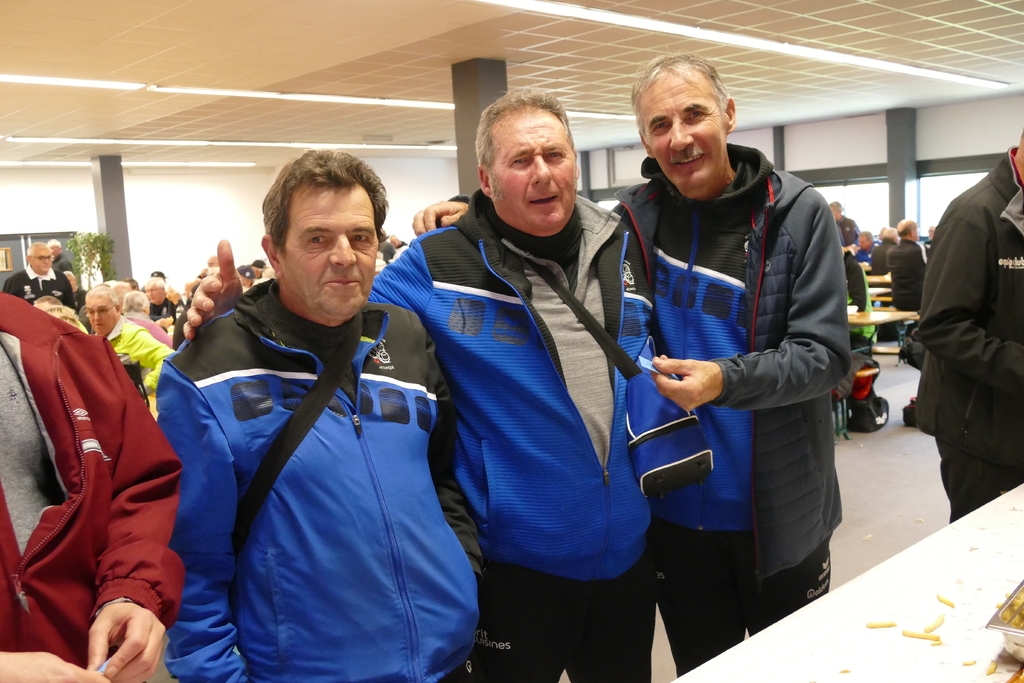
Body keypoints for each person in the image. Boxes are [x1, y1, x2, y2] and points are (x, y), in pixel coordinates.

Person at [188, 89, 658, 683]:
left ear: (575, 163)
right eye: (520, 160)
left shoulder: (624, 245)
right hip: (517, 565)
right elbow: (332, 306)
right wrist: (236, 320)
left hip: (628, 553)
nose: (542, 173)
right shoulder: (435, 265)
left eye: (554, 155)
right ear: (487, 179)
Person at [160, 149, 480, 683]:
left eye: (360, 236)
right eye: (317, 238)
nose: (344, 256)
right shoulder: (205, 372)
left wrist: (461, 572)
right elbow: (189, 561)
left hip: (446, 656)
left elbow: (443, 474)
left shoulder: (404, 335)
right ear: (274, 252)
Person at [615, 53, 848, 675]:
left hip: (779, 514)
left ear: (729, 114)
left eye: (694, 114)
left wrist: (725, 380)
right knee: (703, 669)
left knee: (792, 671)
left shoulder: (798, 212)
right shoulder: (630, 220)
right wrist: (468, 216)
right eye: (659, 124)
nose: (679, 137)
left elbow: (826, 357)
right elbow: (542, 229)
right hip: (674, 513)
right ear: (645, 139)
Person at [0, 293, 184, 683]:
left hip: (90, 660)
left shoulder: (62, 347)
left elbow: (136, 483)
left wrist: (129, 589)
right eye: (93, 311)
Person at [916, 129, 1024, 522]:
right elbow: (940, 326)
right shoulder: (973, 214)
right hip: (979, 428)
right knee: (989, 546)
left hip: (1014, 415)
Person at [85, 285, 172, 395]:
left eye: (102, 310)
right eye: (91, 312)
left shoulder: (132, 335)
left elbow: (170, 359)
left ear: (117, 309)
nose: (96, 317)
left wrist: (142, 390)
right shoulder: (93, 339)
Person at [2, 242, 76, 309]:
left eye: (49, 257)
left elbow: (70, 307)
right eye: (41, 258)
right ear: (29, 259)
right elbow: (6, 309)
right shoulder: (15, 281)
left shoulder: (61, 278)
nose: (46, 261)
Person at [887, 219, 926, 311]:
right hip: (918, 300)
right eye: (917, 230)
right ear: (912, 233)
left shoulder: (891, 252)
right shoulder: (920, 249)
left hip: (898, 299)